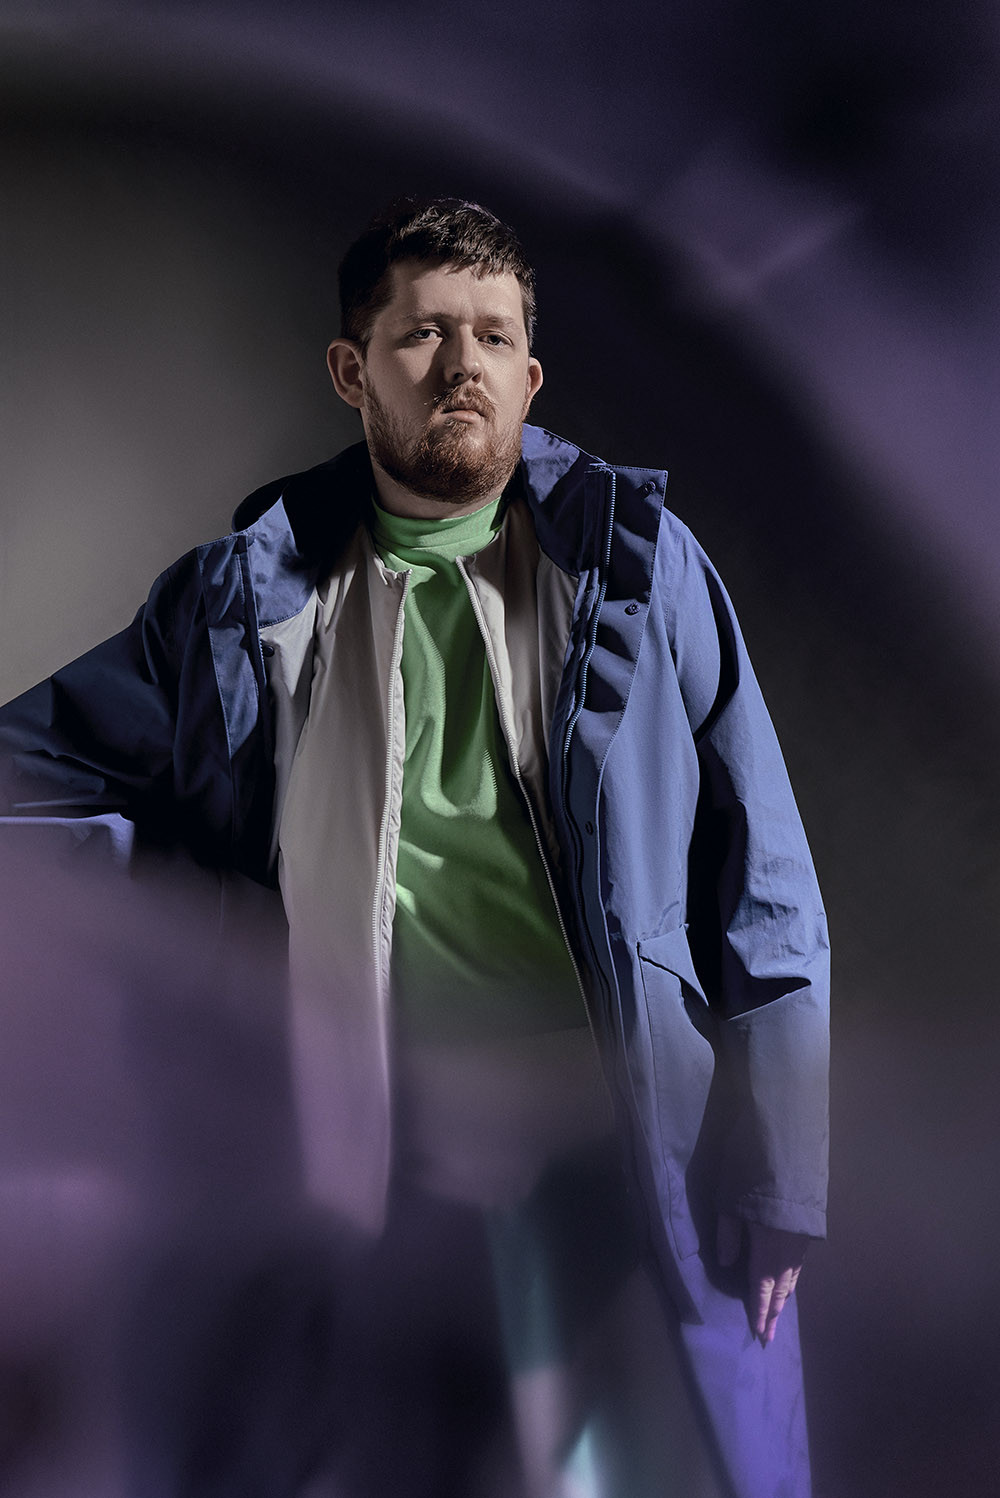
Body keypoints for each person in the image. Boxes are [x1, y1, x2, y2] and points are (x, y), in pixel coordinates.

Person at [0, 198, 829, 1498]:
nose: (462, 367)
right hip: (367, 1151)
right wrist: (181, 906)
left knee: (677, 1463)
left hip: (628, 1134)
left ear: (532, 375)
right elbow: (46, 770)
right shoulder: (243, 594)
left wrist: (782, 1174)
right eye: (424, 334)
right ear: (353, 369)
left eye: (494, 336)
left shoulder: (641, 568)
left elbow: (763, 872)